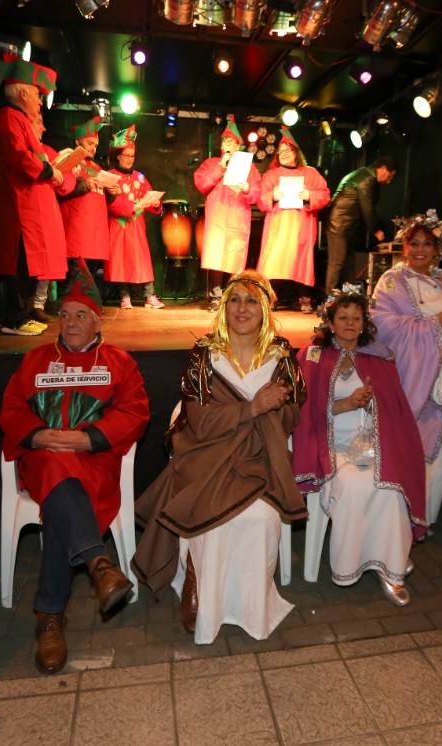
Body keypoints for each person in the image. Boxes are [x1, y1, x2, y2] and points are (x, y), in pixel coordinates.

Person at [133, 270, 306, 644]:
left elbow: (291, 415)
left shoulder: (282, 356)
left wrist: (273, 410)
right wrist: (253, 409)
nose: (242, 308)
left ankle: (249, 606)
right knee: (210, 516)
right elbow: (197, 419)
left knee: (260, 519)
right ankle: (196, 579)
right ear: (224, 307)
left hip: (259, 458)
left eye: (251, 301)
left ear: (264, 310)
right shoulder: (205, 356)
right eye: (235, 300)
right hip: (207, 456)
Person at [0, 283, 150, 674]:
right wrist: (38, 435)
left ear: (99, 321)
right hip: (41, 459)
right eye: (64, 315)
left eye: (80, 315)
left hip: (93, 464)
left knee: (60, 494)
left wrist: (88, 438)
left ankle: (49, 615)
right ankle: (99, 562)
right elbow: (12, 408)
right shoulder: (34, 360)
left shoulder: (118, 362)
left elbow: (135, 412)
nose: (70, 322)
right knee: (52, 464)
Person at [292, 286, 426, 605]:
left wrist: (372, 405)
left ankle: (391, 570)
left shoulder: (377, 357)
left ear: (365, 323)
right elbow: (302, 409)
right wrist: (346, 403)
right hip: (329, 444)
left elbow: (395, 408)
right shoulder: (312, 356)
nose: (350, 324)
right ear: (331, 322)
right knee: (353, 487)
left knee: (390, 489)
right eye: (343, 317)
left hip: (370, 444)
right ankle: (352, 565)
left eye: (357, 318)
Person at [370, 212, 442, 524]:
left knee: (435, 452)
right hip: (408, 379)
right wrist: (433, 324)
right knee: (406, 444)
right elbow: (380, 325)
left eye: (428, 244)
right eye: (414, 243)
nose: (420, 250)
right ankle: (396, 515)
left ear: (438, 249)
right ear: (405, 247)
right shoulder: (392, 282)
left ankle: (423, 517)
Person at [0, 58, 67, 336]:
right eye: (37, 94)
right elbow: (20, 158)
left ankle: (25, 312)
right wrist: (49, 171)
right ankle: (14, 318)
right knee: (16, 262)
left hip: (25, 204)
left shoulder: (16, 119)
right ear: (22, 93)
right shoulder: (9, 119)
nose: (40, 102)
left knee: (26, 262)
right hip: (15, 205)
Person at [255, 128, 330, 312]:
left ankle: (304, 299)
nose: (284, 155)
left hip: (300, 225)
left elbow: (325, 195)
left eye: (287, 151)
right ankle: (270, 298)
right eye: (281, 152)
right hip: (278, 226)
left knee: (300, 263)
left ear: (296, 153)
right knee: (275, 261)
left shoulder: (310, 174)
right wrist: (272, 195)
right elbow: (260, 197)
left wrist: (308, 195)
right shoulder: (271, 175)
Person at [194, 115, 262, 310]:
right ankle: (215, 295)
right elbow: (202, 184)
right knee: (216, 255)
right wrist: (220, 167)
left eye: (232, 141)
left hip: (239, 218)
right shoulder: (212, 163)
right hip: (217, 218)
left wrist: (248, 188)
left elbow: (257, 193)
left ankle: (233, 295)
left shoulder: (250, 168)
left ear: (239, 145)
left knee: (235, 256)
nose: (228, 144)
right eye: (225, 140)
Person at [105, 125, 165, 309]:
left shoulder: (140, 177)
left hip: (137, 227)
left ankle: (149, 295)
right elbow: (110, 203)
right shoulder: (110, 176)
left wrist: (155, 204)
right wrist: (132, 207)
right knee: (120, 261)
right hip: (118, 226)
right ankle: (124, 296)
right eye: (126, 155)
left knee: (142, 261)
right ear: (118, 156)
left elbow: (150, 198)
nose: (130, 159)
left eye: (132, 156)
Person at [61, 115, 120, 294]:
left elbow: (102, 197)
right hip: (78, 227)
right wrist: (83, 185)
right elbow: (62, 188)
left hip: (96, 230)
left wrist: (112, 193)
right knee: (76, 274)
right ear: (78, 141)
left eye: (95, 144)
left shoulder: (97, 167)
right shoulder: (68, 159)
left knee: (91, 273)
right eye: (89, 143)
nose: (94, 148)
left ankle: (87, 306)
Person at [324, 155, 397, 295]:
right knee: (337, 263)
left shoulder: (363, 174)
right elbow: (367, 207)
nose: (389, 181)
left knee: (349, 263)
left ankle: (351, 298)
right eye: (390, 175)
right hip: (339, 224)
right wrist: (375, 230)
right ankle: (330, 300)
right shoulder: (367, 179)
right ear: (382, 168)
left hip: (345, 225)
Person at [30, 111, 77, 324]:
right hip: (30, 209)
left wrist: (63, 176)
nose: (43, 127)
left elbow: (67, 184)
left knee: (49, 258)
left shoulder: (47, 150)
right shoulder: (27, 149)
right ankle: (31, 305)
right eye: (38, 122)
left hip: (49, 210)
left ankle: (41, 303)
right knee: (33, 259)